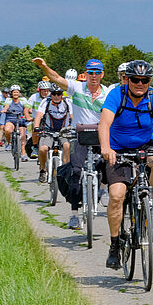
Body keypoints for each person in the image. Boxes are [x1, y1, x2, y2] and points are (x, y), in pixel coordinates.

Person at [98, 60, 153, 269]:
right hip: (118, 150)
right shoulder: (117, 94)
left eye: (144, 80)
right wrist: (106, 148)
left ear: (149, 81)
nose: (140, 84)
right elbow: (104, 123)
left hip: (144, 145)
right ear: (127, 79)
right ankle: (115, 245)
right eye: (135, 79)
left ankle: (151, 203)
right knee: (116, 195)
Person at [32, 57, 112, 229]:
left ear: (102, 74)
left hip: (100, 134)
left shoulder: (108, 93)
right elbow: (56, 78)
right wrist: (45, 67)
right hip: (80, 136)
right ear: (85, 74)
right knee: (75, 171)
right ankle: (74, 214)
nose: (93, 76)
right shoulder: (77, 88)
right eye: (90, 73)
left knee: (107, 161)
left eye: (97, 73)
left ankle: (104, 188)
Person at [35, 84, 74, 182]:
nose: (56, 96)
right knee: (43, 149)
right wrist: (36, 127)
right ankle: (43, 170)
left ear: (62, 94)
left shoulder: (67, 102)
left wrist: (74, 127)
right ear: (51, 94)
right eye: (54, 94)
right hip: (48, 131)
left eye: (59, 94)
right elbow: (39, 116)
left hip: (64, 131)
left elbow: (72, 117)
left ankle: (65, 171)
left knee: (67, 146)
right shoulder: (46, 102)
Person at [1, 85, 32, 161]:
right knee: (7, 130)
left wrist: (28, 113)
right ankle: (9, 143)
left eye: (17, 92)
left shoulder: (23, 100)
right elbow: (6, 107)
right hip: (10, 119)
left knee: (23, 136)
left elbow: (27, 108)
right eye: (14, 92)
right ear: (11, 93)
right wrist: (5, 110)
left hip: (20, 119)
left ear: (19, 93)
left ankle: (24, 154)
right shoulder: (8, 100)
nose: (15, 93)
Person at [28, 80, 53, 158]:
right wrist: (28, 116)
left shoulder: (52, 97)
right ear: (39, 91)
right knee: (35, 130)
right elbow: (27, 108)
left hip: (49, 120)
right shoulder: (34, 97)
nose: (46, 93)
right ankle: (35, 147)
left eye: (47, 91)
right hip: (37, 119)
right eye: (43, 91)